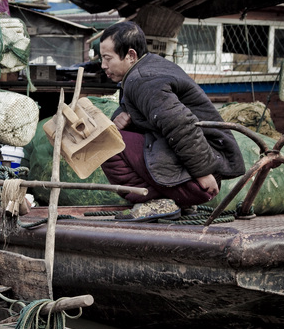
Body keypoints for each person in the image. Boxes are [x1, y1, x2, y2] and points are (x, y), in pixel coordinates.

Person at [98, 21, 245, 221]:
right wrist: (120, 116)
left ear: (131, 55)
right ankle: (173, 201)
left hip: (200, 179)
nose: (103, 65)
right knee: (116, 134)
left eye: (108, 58)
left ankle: (158, 202)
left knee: (106, 143)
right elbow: (139, 110)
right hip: (199, 169)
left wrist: (203, 172)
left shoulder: (141, 79)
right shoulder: (146, 68)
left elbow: (180, 125)